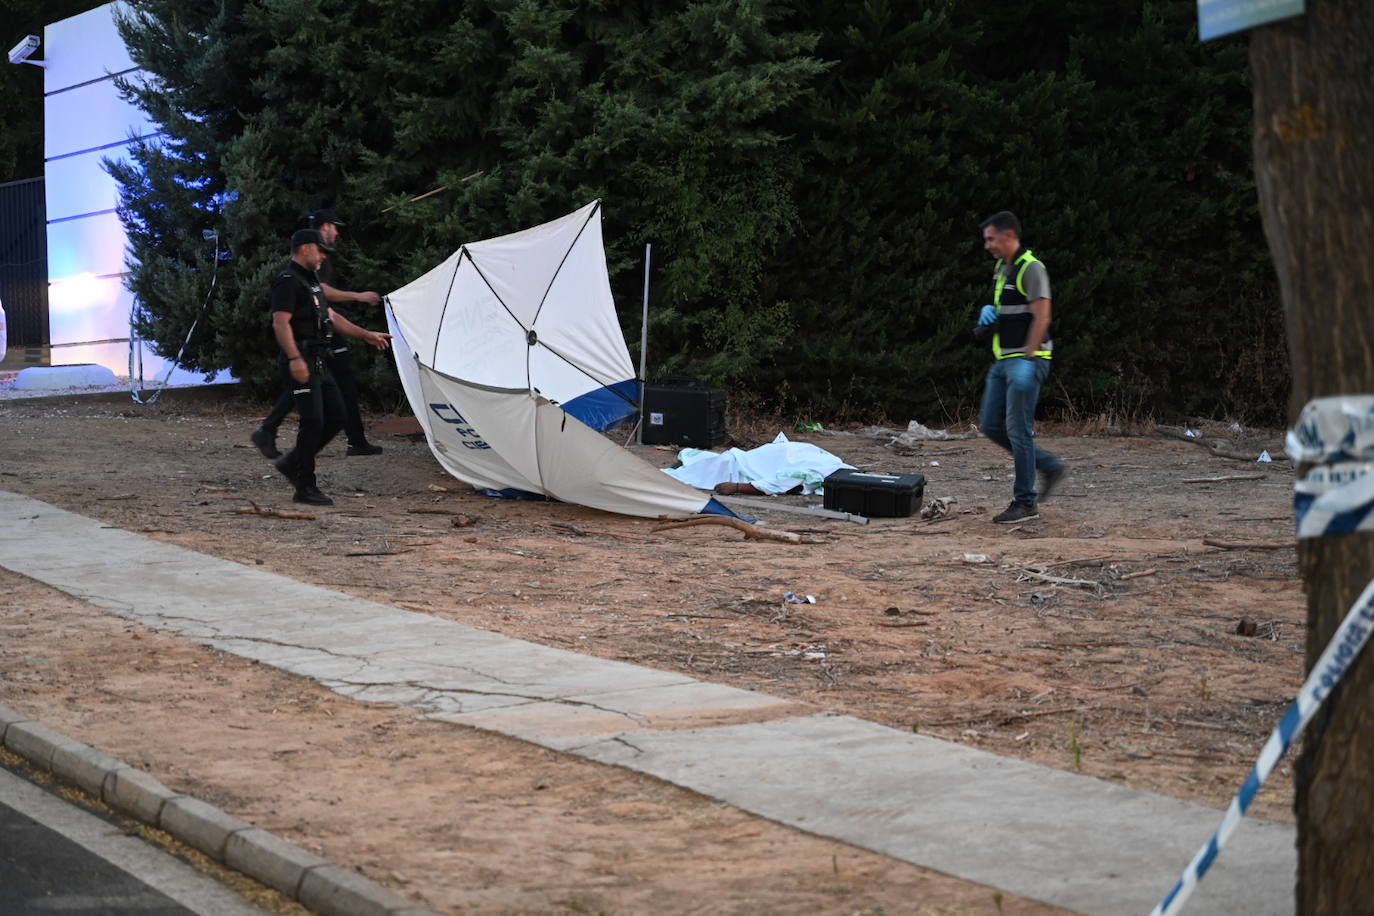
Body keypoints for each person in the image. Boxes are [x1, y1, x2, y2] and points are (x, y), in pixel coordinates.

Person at [269, 228, 391, 506]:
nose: (324, 256)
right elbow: (280, 322)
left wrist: (366, 335)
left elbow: (331, 316)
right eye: (321, 250)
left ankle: (293, 462)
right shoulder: (288, 281)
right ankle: (305, 486)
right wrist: (295, 358)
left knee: (337, 416)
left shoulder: (310, 281)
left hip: (318, 360)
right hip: (299, 358)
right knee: (312, 422)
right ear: (304, 249)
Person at [252, 208, 385, 459]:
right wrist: (358, 296)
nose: (336, 232)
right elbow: (317, 295)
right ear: (324, 227)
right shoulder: (303, 266)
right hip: (314, 336)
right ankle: (338, 445)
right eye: (335, 226)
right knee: (321, 389)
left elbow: (327, 309)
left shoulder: (318, 256)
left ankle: (273, 434)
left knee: (318, 385)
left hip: (323, 329)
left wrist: (364, 334)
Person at [973, 210, 1066, 523]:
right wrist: (990, 313)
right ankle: (1049, 466)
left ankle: (1025, 503)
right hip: (1005, 360)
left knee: (1017, 431)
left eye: (991, 239)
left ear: (1008, 235)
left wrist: (1028, 359)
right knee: (991, 425)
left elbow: (1042, 317)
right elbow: (1009, 310)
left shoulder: (1031, 268)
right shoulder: (1003, 267)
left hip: (1026, 361)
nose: (987, 245)